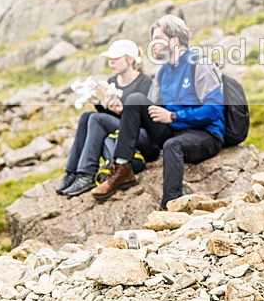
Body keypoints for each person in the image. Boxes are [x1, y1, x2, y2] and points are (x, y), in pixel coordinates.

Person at [91, 15, 225, 209]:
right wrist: (122, 110)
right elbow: (152, 109)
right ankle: (122, 167)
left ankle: (169, 205)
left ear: (174, 41)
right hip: (173, 129)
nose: (152, 45)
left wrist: (174, 116)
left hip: (205, 134)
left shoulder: (199, 65)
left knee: (172, 146)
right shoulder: (163, 72)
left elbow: (215, 109)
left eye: (157, 39)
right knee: (135, 99)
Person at [56, 40, 153, 197]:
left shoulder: (145, 82)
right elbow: (110, 117)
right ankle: (71, 171)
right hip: (122, 132)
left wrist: (121, 109)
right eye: (110, 59)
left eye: (116, 58)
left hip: (141, 135)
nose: (111, 62)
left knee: (97, 119)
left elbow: (143, 119)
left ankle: (87, 173)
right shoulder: (112, 82)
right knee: (87, 116)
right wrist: (98, 104)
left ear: (129, 59)